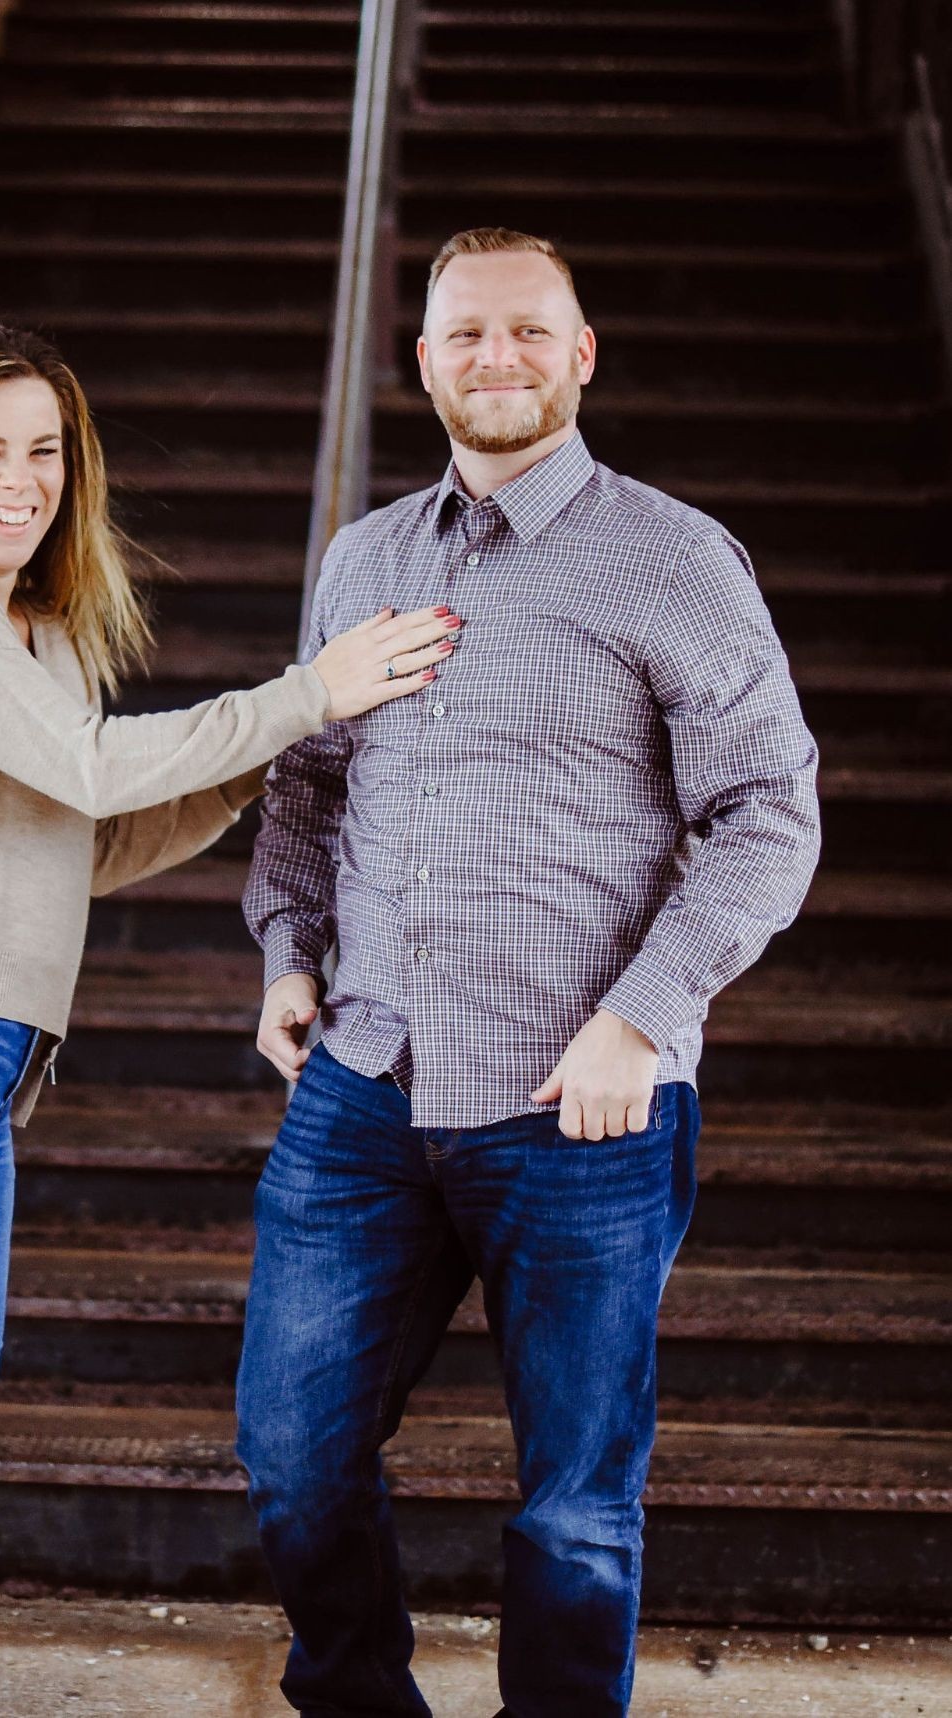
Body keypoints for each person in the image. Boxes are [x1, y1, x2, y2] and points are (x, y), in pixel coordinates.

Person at [0, 315, 455, 1717]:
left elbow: (78, 839)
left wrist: (267, 759)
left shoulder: (39, 631)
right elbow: (86, 762)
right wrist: (307, 690)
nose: (19, 478)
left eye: (44, 451)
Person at [238, 229, 822, 1717]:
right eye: (462, 335)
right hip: (362, 1087)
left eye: (524, 331)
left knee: (572, 1506)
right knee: (294, 1459)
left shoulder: (671, 558)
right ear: (421, 361)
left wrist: (645, 1010)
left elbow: (767, 814)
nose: (493, 356)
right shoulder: (361, 559)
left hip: (583, 1110)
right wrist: (285, 952)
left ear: (579, 354)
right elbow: (305, 790)